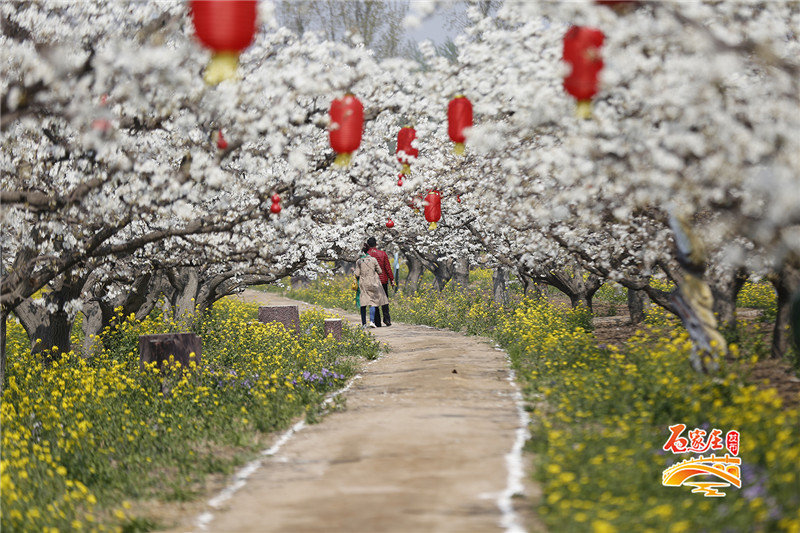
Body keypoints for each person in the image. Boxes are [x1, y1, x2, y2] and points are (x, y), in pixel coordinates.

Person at [354, 242, 388, 329]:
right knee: (373, 302)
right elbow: (380, 271)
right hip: (373, 282)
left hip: (363, 283)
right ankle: (372, 321)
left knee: (363, 303)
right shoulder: (373, 260)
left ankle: (364, 324)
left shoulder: (359, 261)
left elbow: (357, 274)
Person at [366, 236, 395, 327]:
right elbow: (387, 268)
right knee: (384, 300)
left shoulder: (366, 255)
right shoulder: (382, 253)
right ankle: (387, 319)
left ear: (368, 245)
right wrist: (392, 279)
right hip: (383, 280)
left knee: (374, 301)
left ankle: (377, 322)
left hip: (371, 281)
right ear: (376, 244)